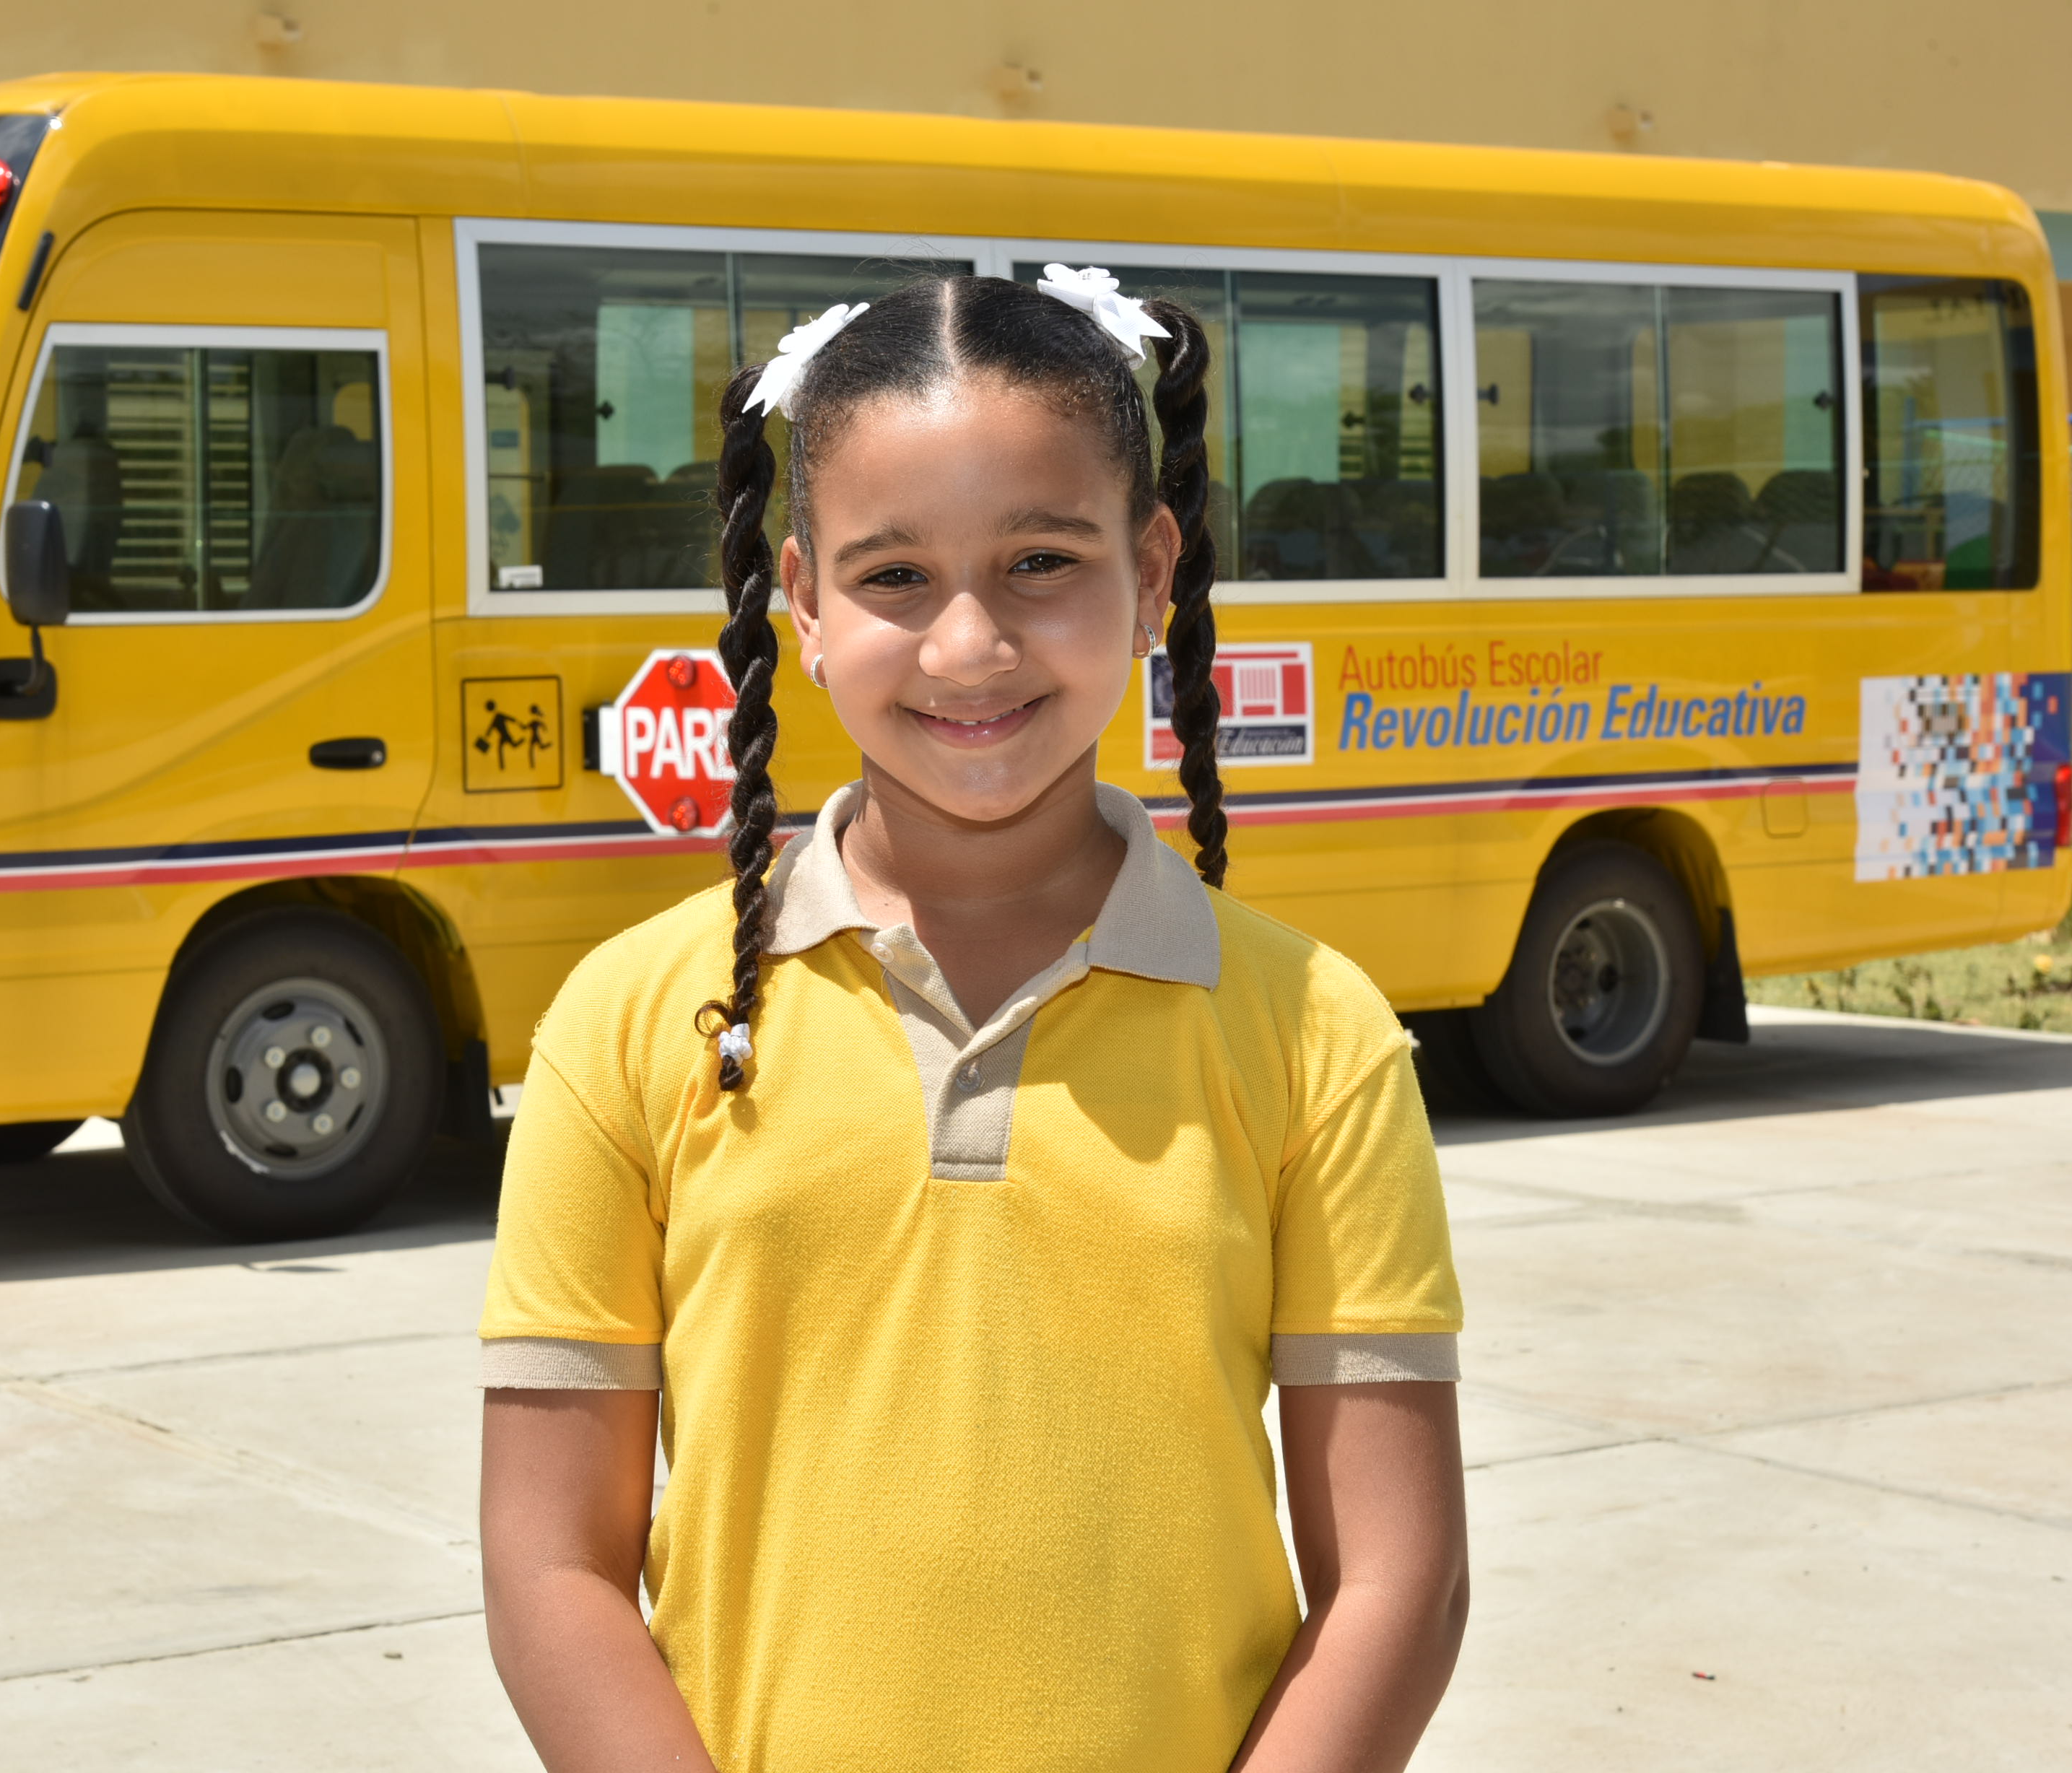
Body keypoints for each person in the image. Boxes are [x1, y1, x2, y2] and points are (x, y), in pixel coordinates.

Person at [479, 268, 1468, 1772]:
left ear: (1153, 570)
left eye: (1039, 561)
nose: (967, 646)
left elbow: (1398, 1579)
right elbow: (548, 1563)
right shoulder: (629, 1022)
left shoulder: (1314, 1034)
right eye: (893, 577)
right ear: (802, 601)